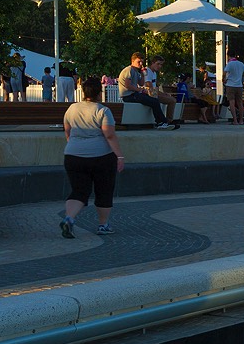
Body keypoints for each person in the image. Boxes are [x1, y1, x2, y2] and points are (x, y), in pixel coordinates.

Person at [59, 76, 123, 237]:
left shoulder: (71, 109)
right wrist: (119, 156)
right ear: (99, 93)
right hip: (101, 156)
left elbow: (67, 131)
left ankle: (69, 218)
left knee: (78, 191)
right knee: (104, 191)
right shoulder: (102, 110)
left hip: (73, 155)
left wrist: (76, 145)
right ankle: (103, 225)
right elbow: (109, 135)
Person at [118, 51, 167, 128]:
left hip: (134, 94)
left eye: (142, 62)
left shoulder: (136, 71)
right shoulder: (129, 70)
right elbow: (128, 85)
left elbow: (141, 83)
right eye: (139, 62)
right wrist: (139, 90)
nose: (140, 64)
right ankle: (161, 122)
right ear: (132, 61)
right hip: (128, 95)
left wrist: (143, 74)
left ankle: (161, 122)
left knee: (154, 100)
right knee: (154, 101)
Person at [145, 56, 180, 126]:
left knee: (172, 99)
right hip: (148, 93)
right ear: (152, 63)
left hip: (153, 92)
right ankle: (168, 121)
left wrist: (163, 94)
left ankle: (169, 120)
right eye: (158, 64)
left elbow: (155, 87)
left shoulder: (154, 73)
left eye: (161, 64)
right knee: (172, 100)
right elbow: (149, 85)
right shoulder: (147, 71)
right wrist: (161, 94)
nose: (160, 66)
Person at [224, 50, 244, 125]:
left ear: (228, 55)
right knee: (240, 103)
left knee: (232, 102)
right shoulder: (241, 64)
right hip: (239, 85)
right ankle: (241, 120)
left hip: (230, 85)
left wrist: (224, 79)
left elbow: (224, 73)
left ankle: (235, 120)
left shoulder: (229, 64)